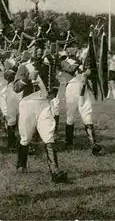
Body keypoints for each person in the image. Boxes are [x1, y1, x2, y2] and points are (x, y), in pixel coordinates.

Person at [13, 45, 68, 183]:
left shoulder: (47, 67)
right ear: (29, 50)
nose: (39, 50)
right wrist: (27, 79)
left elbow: (53, 85)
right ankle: (21, 164)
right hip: (28, 104)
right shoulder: (24, 67)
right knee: (25, 138)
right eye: (36, 47)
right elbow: (16, 88)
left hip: (43, 104)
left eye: (41, 48)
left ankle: (55, 171)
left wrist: (53, 96)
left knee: (49, 136)